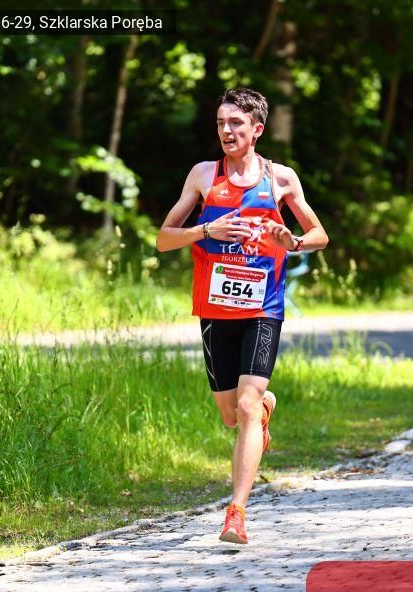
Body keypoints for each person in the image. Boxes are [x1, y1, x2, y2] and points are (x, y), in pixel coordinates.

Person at [156, 88, 328, 543]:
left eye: (236, 123)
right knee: (232, 415)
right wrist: (206, 229)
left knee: (247, 405)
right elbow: (164, 238)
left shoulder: (280, 178)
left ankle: (236, 512)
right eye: (221, 123)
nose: (226, 131)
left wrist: (290, 242)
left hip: (263, 307)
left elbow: (319, 234)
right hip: (215, 307)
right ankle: (263, 410)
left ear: (257, 129)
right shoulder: (203, 175)